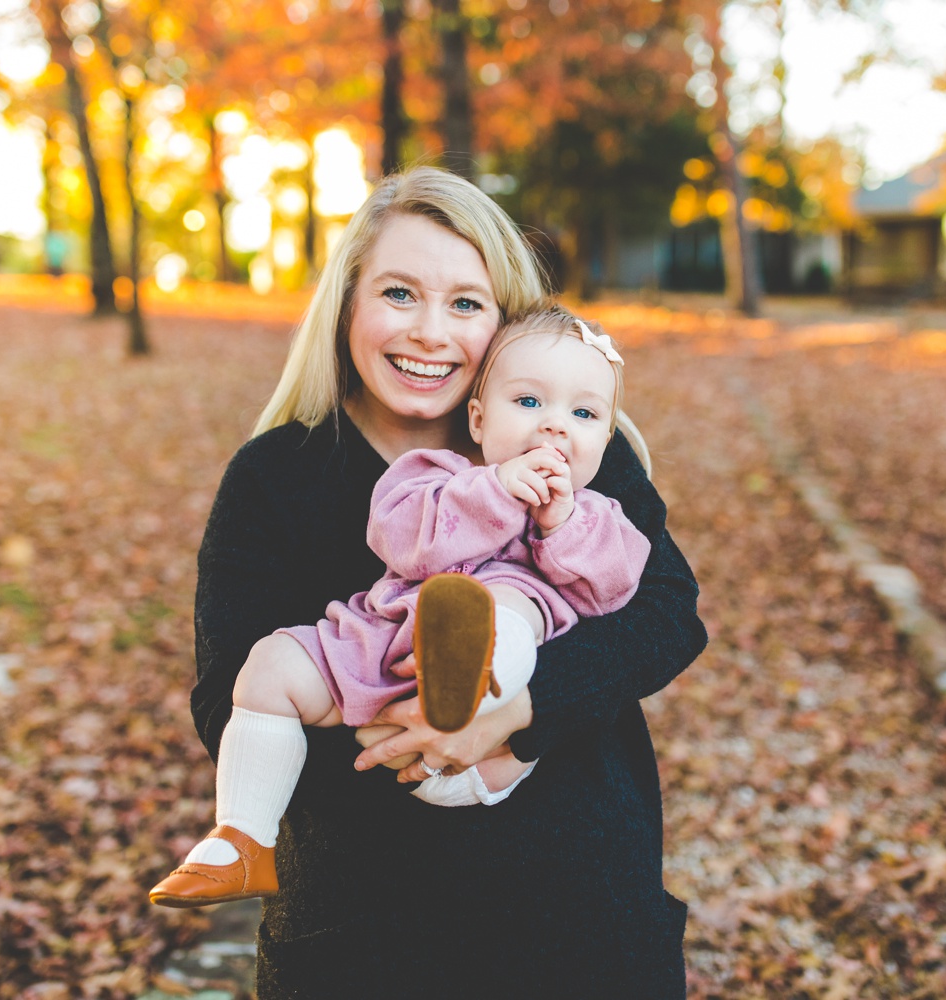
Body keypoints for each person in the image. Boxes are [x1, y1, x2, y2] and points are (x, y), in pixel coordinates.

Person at [187, 167, 707, 997]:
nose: (431, 333)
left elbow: (669, 615)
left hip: (579, 924)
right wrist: (421, 746)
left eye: (466, 303)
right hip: (364, 944)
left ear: (505, 320)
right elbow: (226, 700)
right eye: (399, 293)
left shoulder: (569, 446)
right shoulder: (277, 476)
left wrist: (518, 714)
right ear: (348, 304)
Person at [150, 306, 654, 907]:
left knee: (504, 606)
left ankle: (467, 683)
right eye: (527, 403)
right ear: (478, 414)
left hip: (487, 728)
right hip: (379, 645)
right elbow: (404, 542)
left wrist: (559, 522)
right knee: (268, 664)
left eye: (584, 414)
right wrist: (494, 492)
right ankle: (241, 839)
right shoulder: (431, 477)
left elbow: (614, 591)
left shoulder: (598, 514)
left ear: (606, 437)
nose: (554, 428)